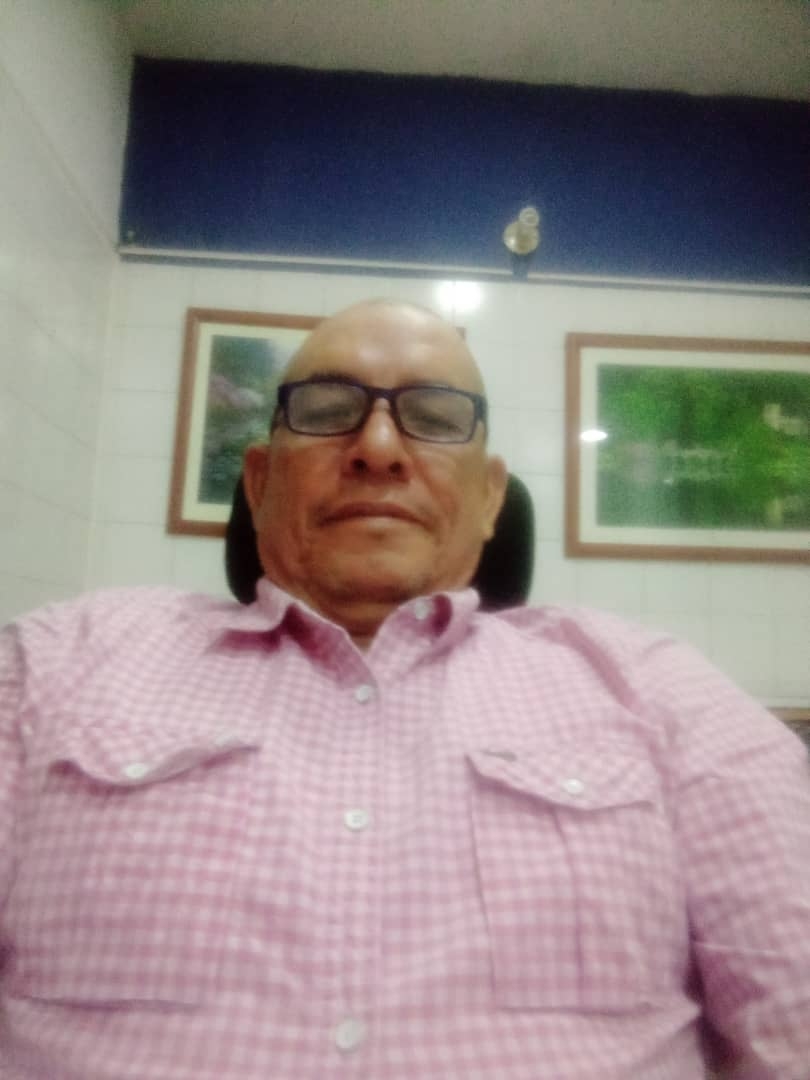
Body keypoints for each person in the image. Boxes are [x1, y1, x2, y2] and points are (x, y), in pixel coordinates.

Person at [0, 299, 808, 1080]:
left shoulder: (658, 691)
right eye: (326, 410)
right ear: (258, 482)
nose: (379, 447)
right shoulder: (52, 668)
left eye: (436, 416)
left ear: (490, 498)